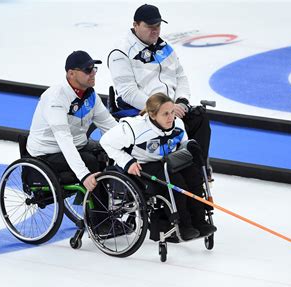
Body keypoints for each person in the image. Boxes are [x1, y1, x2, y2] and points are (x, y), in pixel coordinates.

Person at [107, 3, 213, 180]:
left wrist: (182, 101)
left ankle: (196, 171)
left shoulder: (165, 47)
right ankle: (174, 172)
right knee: (173, 124)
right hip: (143, 111)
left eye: (158, 26)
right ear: (136, 25)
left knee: (199, 118)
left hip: (170, 107)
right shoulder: (120, 52)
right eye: (150, 27)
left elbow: (181, 77)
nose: (155, 31)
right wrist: (163, 108)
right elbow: (128, 93)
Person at [99, 93, 217, 241]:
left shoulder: (178, 124)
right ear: (153, 115)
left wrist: (189, 146)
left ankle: (199, 221)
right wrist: (127, 162)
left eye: (172, 112)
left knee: (194, 176)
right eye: (165, 114)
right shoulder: (135, 128)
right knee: (176, 182)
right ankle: (183, 225)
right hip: (142, 164)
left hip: (168, 161)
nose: (171, 117)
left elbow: (181, 146)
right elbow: (105, 142)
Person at [26, 50, 117, 192]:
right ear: (71, 73)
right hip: (47, 153)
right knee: (90, 162)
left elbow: (110, 126)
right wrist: (84, 175)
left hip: (78, 144)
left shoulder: (90, 95)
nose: (93, 73)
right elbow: (64, 141)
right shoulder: (56, 99)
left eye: (94, 69)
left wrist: (134, 144)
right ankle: (99, 213)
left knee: (106, 151)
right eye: (87, 70)